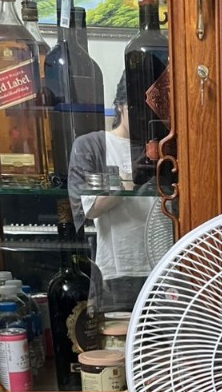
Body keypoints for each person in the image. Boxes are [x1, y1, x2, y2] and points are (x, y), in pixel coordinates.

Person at [67, 71, 156, 313]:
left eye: (151, 109)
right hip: (118, 273)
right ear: (119, 105)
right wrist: (129, 180)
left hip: (164, 267)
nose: (143, 116)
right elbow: (89, 209)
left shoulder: (166, 145)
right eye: (136, 108)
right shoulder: (92, 145)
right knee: (115, 335)